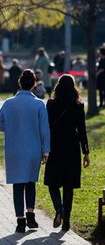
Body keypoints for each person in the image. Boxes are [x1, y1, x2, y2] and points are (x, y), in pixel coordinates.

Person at [0, 69, 50, 233]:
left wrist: (12, 127)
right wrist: (46, 150)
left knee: (18, 184)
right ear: (34, 84)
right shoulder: (39, 104)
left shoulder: (9, 103)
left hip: (14, 148)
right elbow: (44, 130)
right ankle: (31, 214)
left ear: (20, 82)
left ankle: (20, 219)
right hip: (33, 148)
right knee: (30, 182)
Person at [44, 74, 90, 231]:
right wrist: (86, 152)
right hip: (72, 147)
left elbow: (46, 127)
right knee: (69, 184)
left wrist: (44, 149)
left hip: (55, 146)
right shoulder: (78, 105)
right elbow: (82, 130)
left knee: (52, 182)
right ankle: (67, 220)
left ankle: (59, 208)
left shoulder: (50, 104)